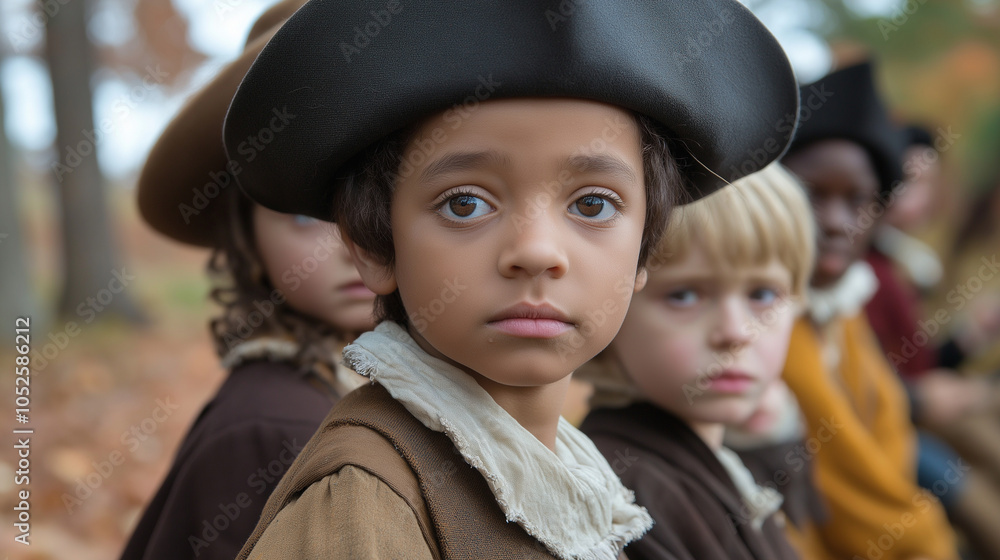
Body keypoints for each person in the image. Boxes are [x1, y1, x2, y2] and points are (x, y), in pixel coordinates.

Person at [223, 1, 800, 558]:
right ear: (374, 246)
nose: (536, 252)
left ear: (645, 251)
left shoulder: (578, 484)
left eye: (594, 205)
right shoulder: (363, 507)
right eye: (465, 205)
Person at [119, 2, 375, 559]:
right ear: (246, 240)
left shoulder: (362, 391)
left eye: (376, 205)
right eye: (308, 217)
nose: (352, 248)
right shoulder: (276, 430)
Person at [578, 163, 814, 560]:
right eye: (685, 295)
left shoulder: (720, 464)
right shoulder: (628, 498)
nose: (736, 332)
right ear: (610, 307)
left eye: (762, 294)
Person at [780, 60, 959, 560]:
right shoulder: (772, 323)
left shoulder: (843, 310)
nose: (836, 222)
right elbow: (860, 501)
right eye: (811, 194)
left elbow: (890, 436)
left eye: (857, 201)